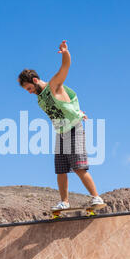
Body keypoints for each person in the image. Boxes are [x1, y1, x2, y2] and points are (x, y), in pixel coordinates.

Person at [18, 40, 104, 210]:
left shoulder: (53, 85)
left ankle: (97, 198)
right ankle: (64, 202)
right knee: (61, 170)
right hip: (61, 132)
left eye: (29, 88)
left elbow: (64, 68)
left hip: (74, 128)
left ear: (35, 80)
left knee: (78, 166)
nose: (29, 92)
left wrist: (65, 53)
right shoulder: (40, 97)